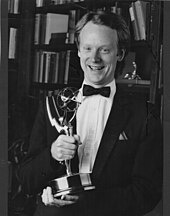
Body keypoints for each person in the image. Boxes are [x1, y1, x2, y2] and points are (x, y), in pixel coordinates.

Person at [18, 11, 163, 216]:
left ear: (120, 53)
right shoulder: (53, 105)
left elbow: (147, 193)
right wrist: (51, 155)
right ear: (78, 50)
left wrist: (89, 202)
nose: (94, 58)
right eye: (87, 48)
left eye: (104, 49)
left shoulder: (145, 115)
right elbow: (25, 178)